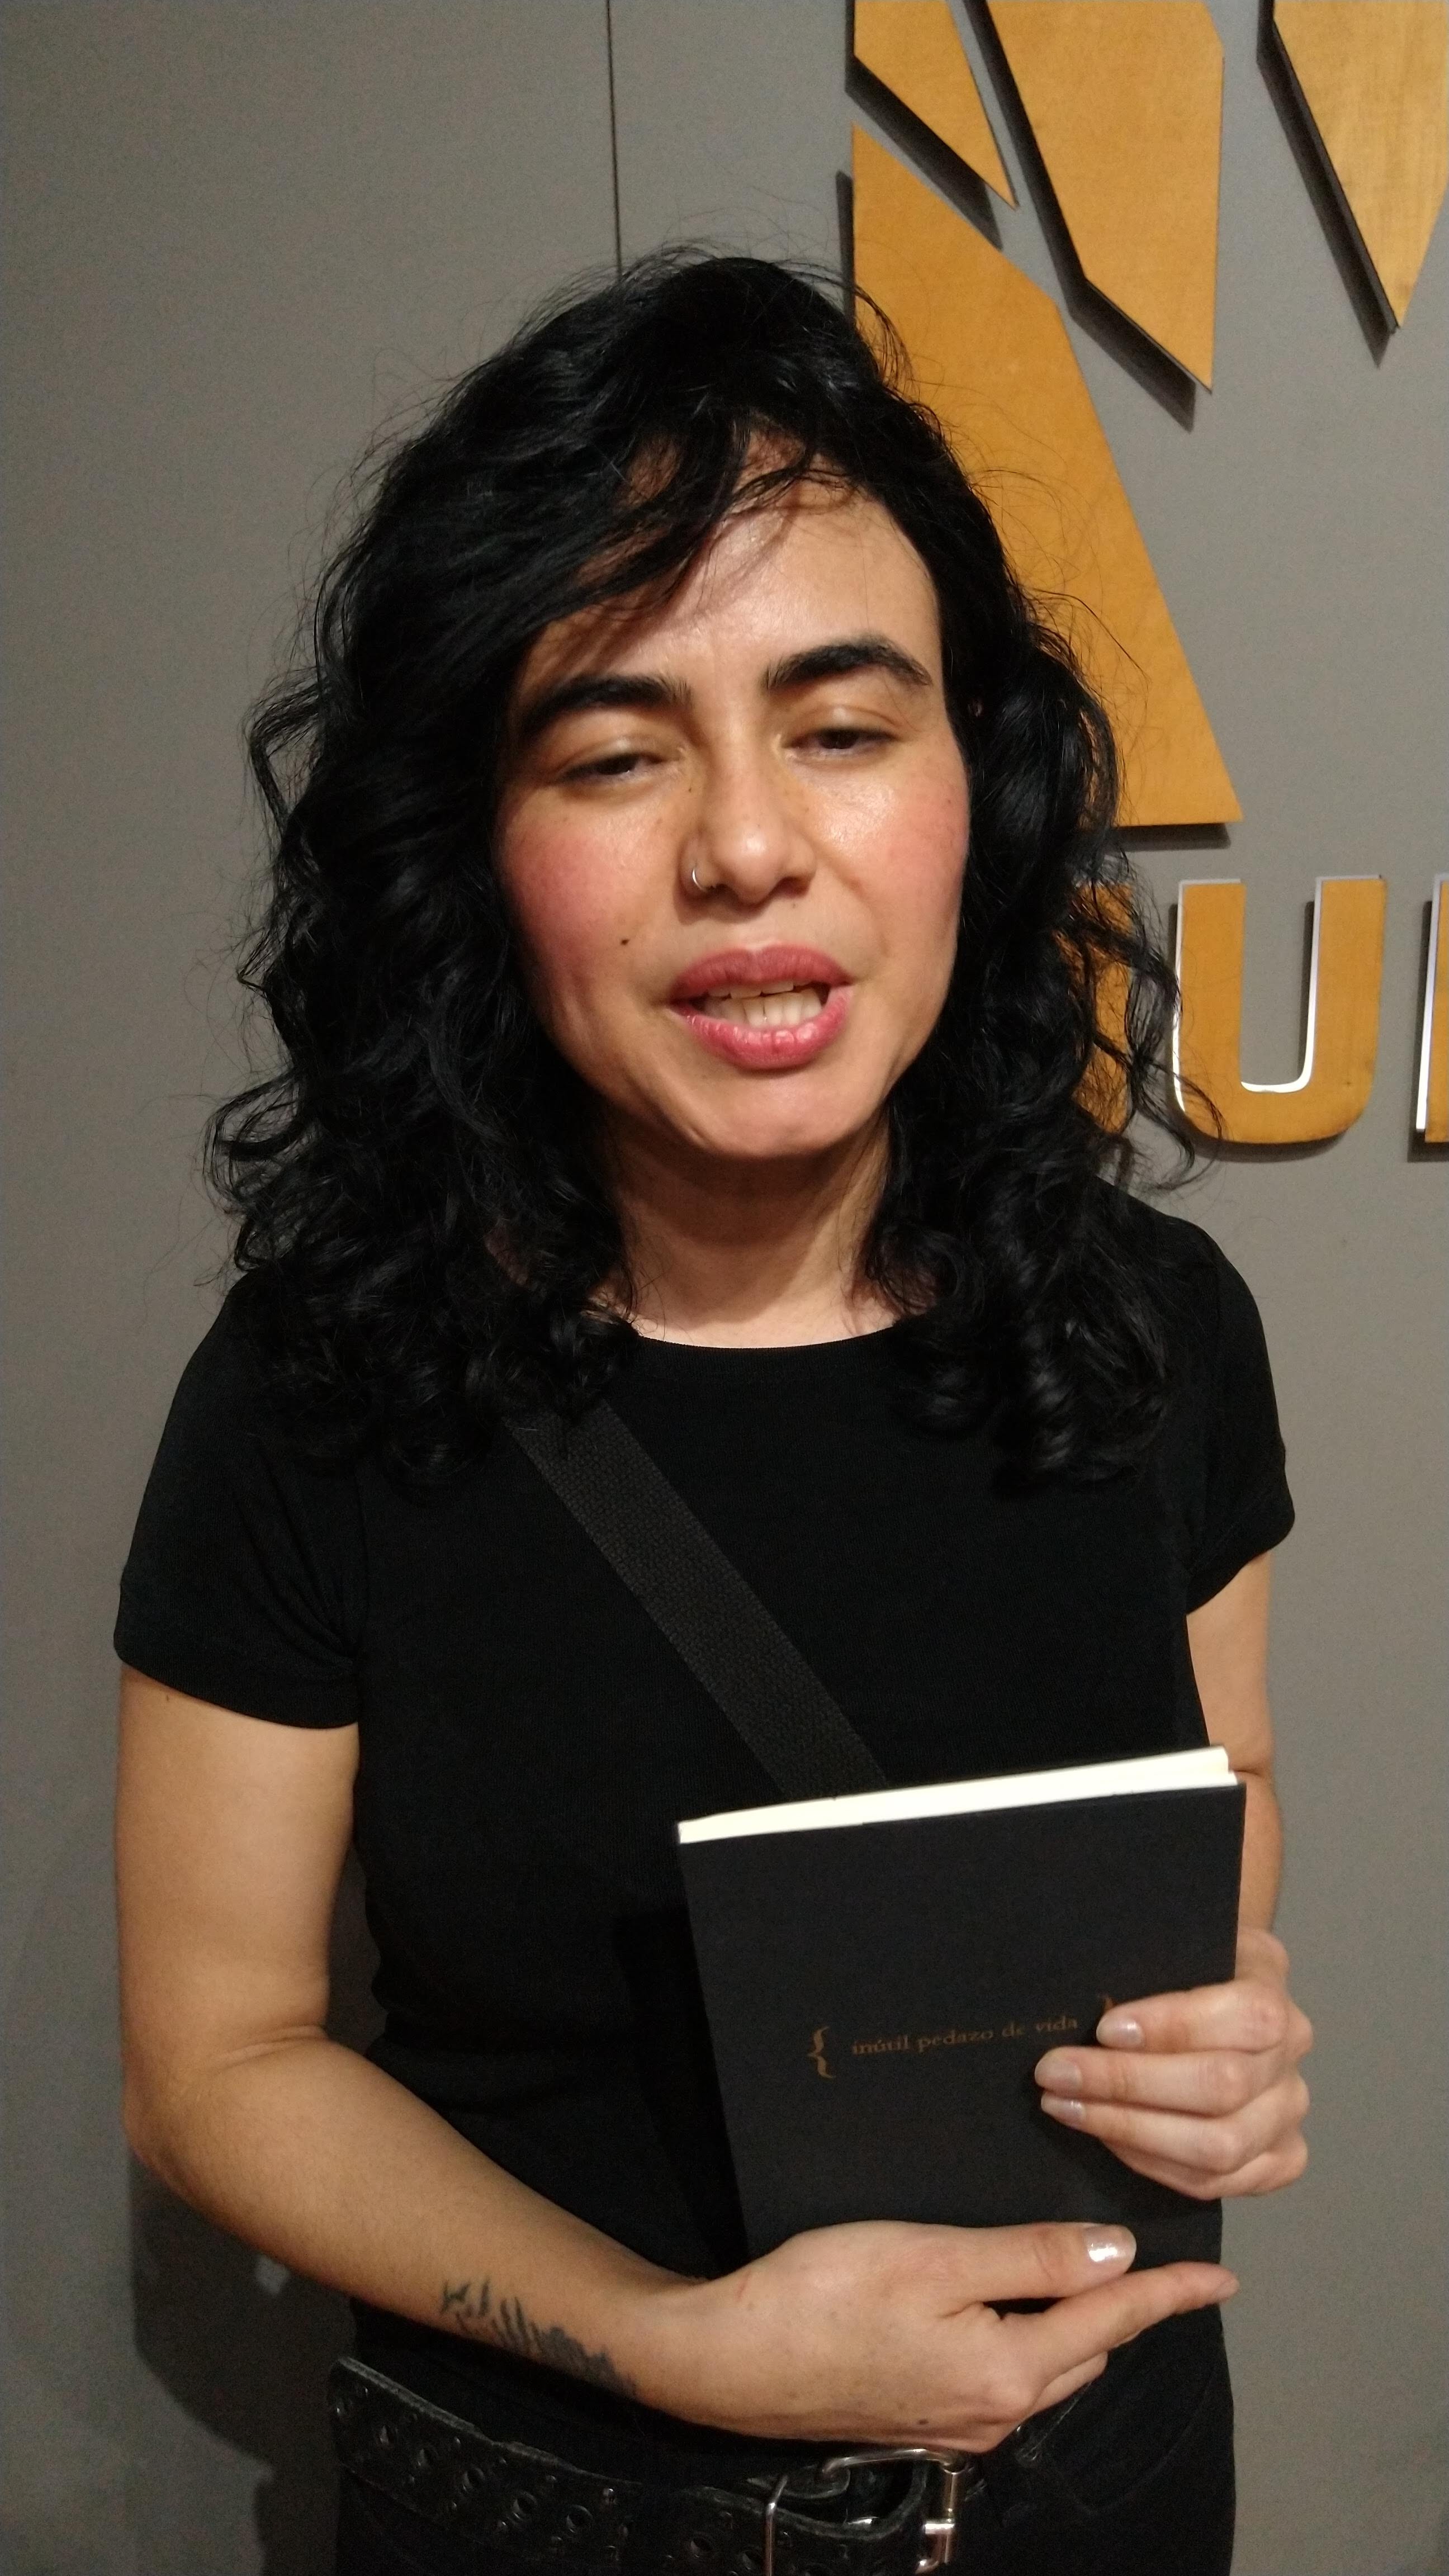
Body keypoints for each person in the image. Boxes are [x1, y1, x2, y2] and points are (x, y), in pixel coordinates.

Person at [114, 254, 1311, 2576]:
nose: (748, 846)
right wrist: (671, 2343)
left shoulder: (1151, 1323)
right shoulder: (320, 1393)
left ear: (980, 782)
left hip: (1110, 2493)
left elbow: (1227, 1789)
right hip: (579, 2514)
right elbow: (220, 2065)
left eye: (842, 727)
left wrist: (1218, 2021)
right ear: (475, 842)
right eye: (616, 751)